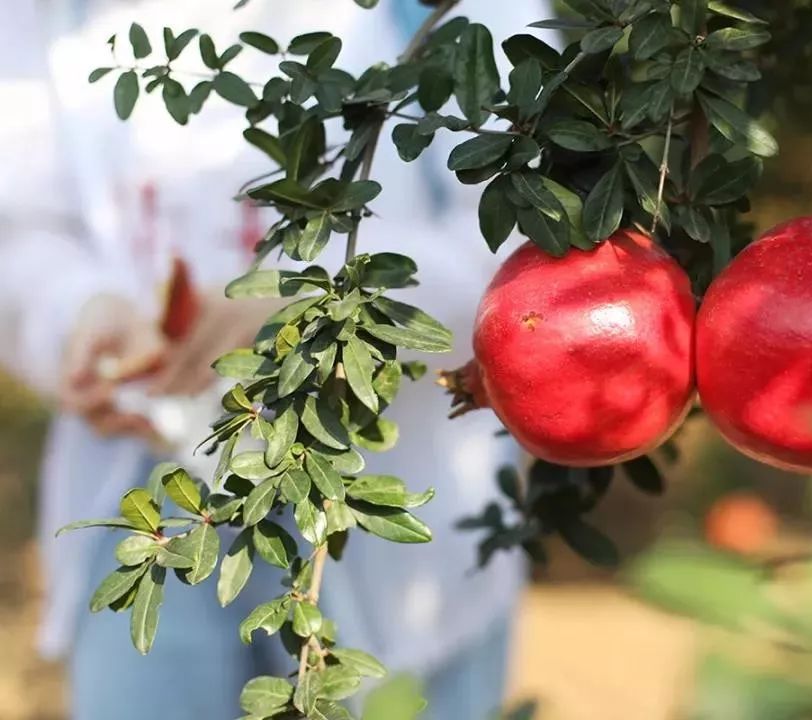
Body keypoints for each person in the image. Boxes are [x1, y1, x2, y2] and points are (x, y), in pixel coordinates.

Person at [0, 0, 552, 717]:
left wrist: (325, 311)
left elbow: (528, 238)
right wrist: (76, 312)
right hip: (141, 489)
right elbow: (20, 225)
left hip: (396, 509)